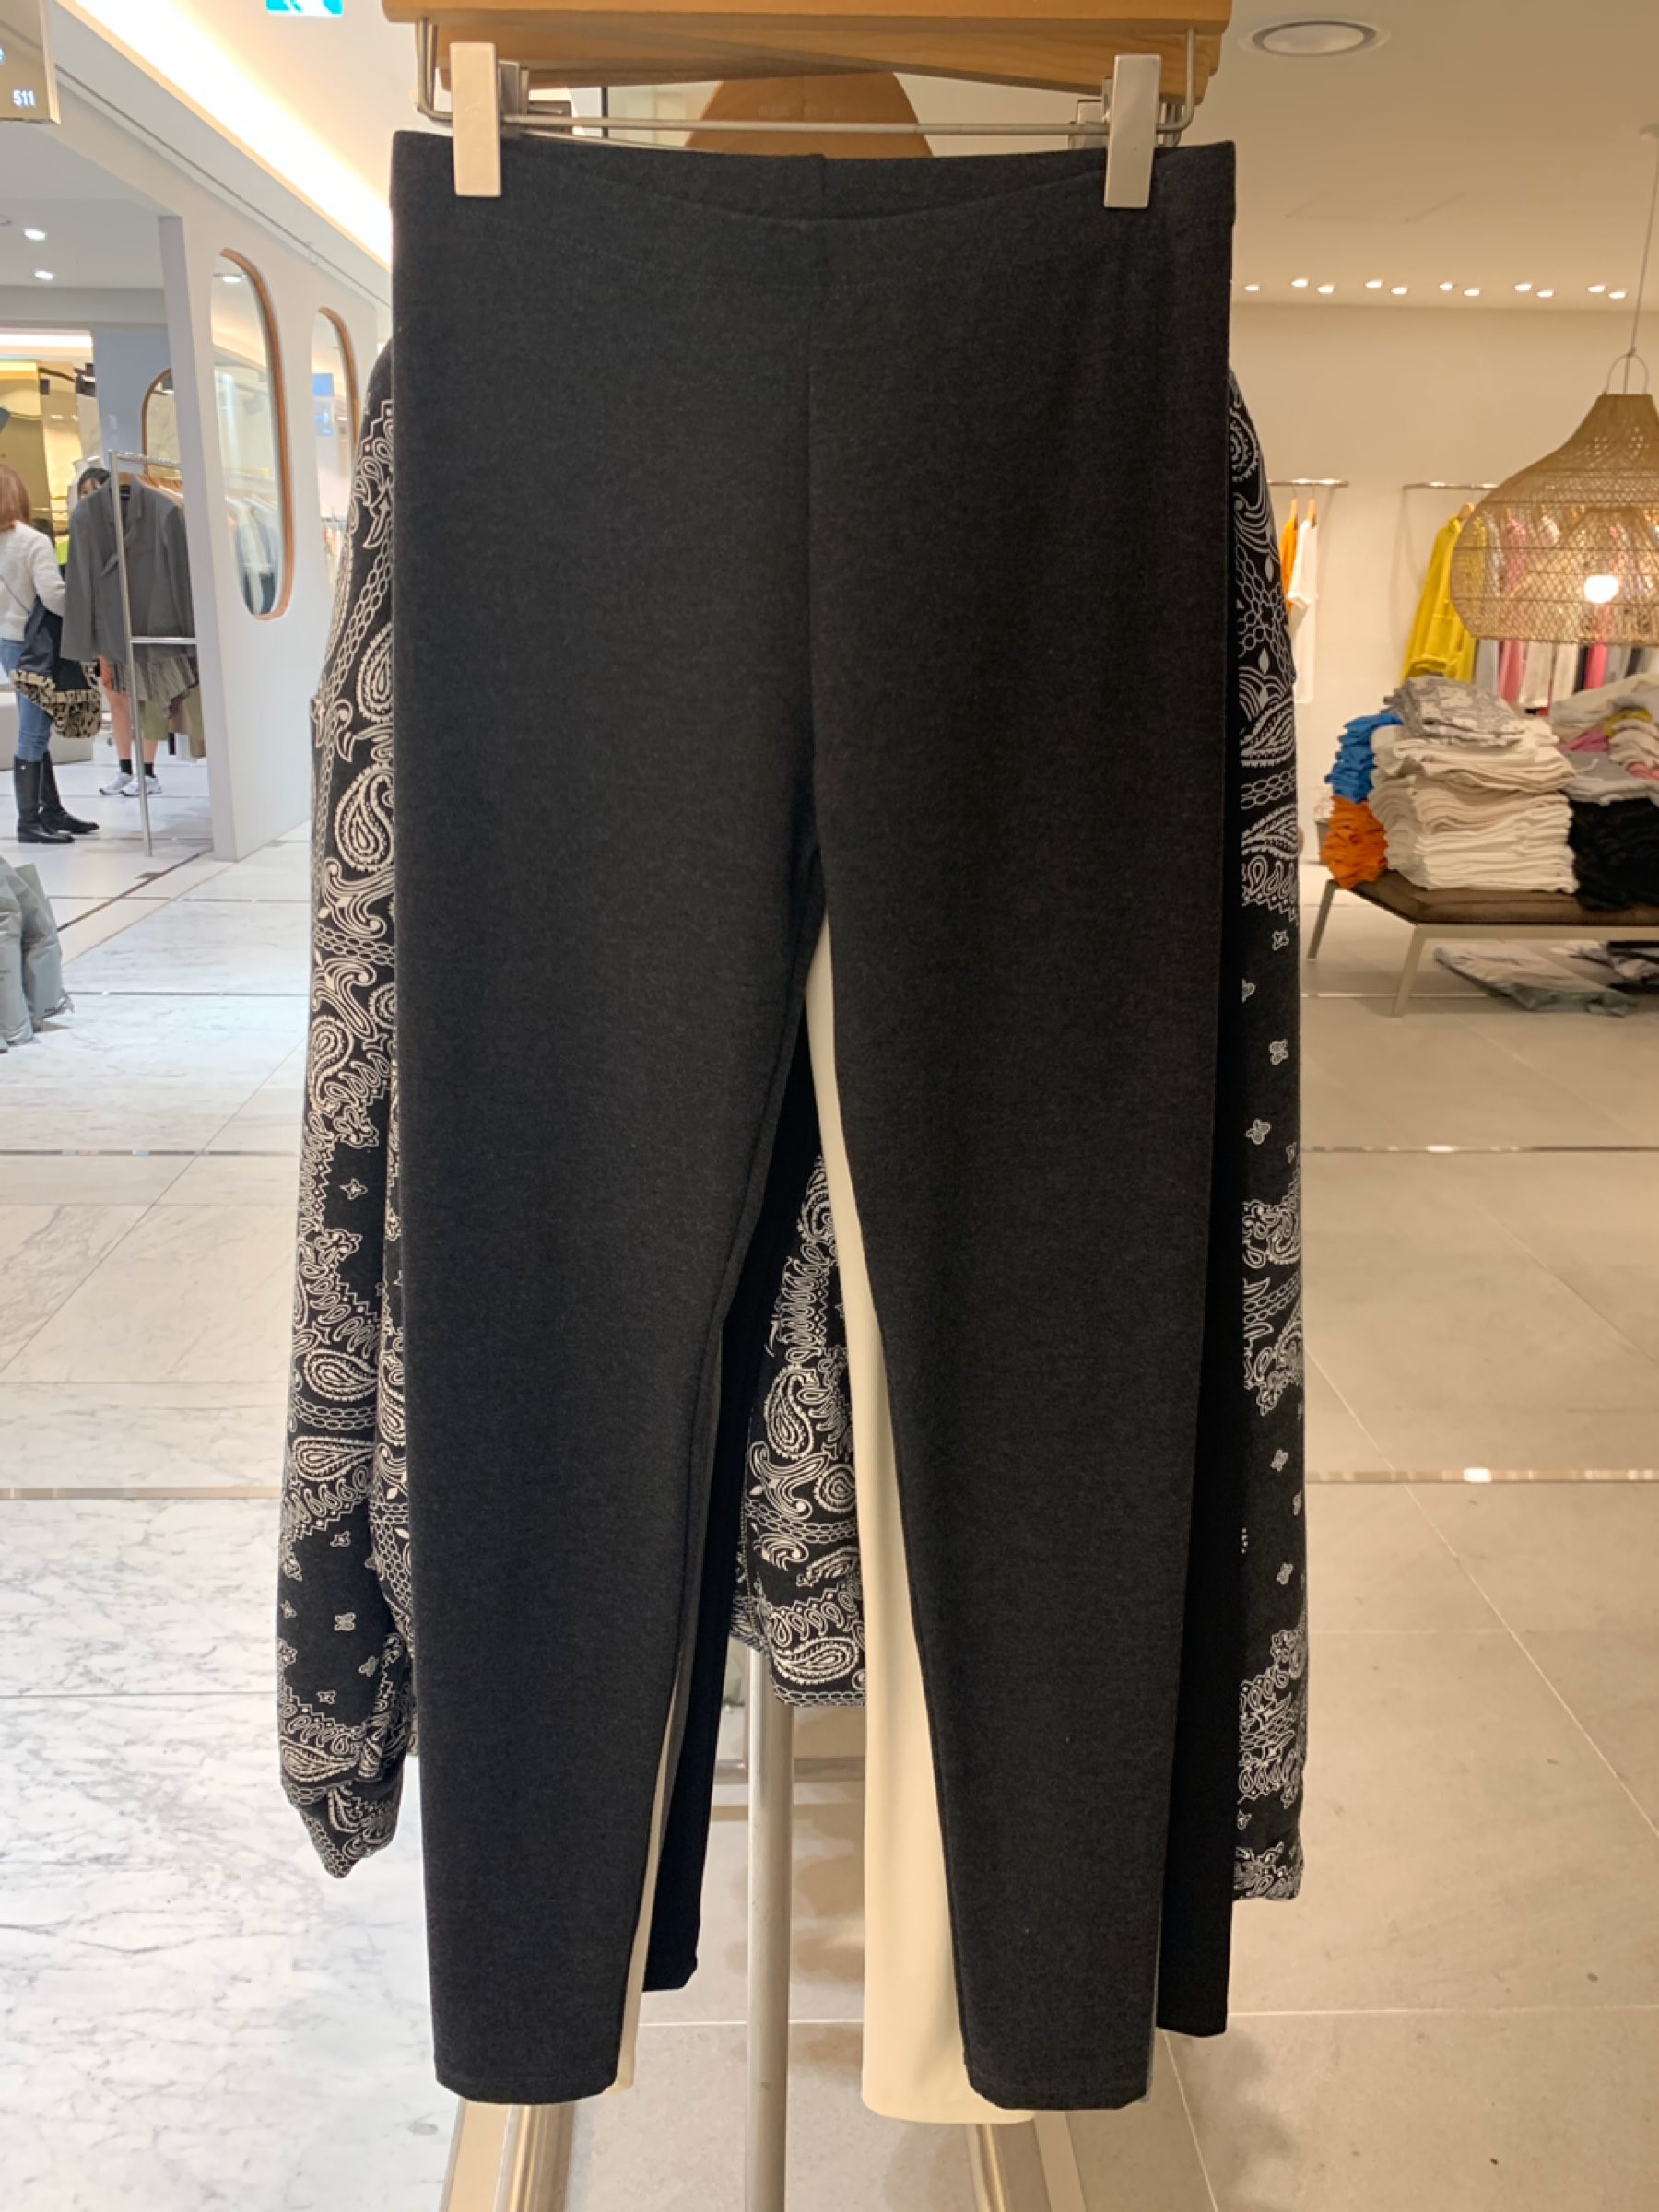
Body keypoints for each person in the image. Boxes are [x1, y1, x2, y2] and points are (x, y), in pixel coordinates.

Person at [0, 461, 92, 842]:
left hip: (8, 642)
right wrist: (85, 607)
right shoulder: (32, 540)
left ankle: (50, 811)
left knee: (35, 724)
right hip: (33, 643)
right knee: (34, 730)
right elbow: (53, 596)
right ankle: (29, 821)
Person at [72, 465, 161, 803]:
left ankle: (148, 771)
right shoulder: (84, 532)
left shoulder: (135, 526)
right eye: (84, 494)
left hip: (140, 623)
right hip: (104, 626)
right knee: (116, 697)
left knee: (147, 696)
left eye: (96, 492)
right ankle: (125, 767)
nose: (90, 500)